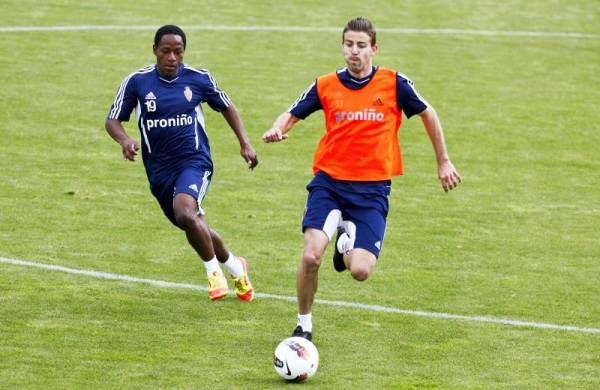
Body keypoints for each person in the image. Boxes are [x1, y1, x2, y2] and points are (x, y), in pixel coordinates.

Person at [262, 17, 461, 341]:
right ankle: (304, 325)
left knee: (360, 271)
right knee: (312, 255)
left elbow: (429, 113)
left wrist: (444, 162)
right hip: (329, 184)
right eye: (349, 45)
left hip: (372, 191)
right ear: (342, 46)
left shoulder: (394, 83)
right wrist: (278, 129)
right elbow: (293, 111)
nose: (354, 52)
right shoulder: (326, 84)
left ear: (374, 48)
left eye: (361, 45)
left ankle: (344, 242)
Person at [105, 25, 258, 302]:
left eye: (178, 52)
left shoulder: (199, 79)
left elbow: (227, 106)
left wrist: (245, 143)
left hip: (195, 161)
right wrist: (125, 140)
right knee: (192, 223)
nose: (172, 57)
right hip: (159, 171)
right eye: (166, 51)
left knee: (186, 212)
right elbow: (112, 119)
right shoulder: (137, 83)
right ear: (155, 51)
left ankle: (214, 276)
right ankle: (236, 267)